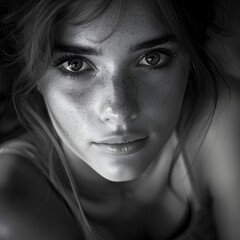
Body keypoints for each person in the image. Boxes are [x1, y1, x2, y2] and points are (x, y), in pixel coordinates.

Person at [0, 0, 240, 239]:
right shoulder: (11, 207)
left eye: (152, 58)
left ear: (190, 56)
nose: (119, 111)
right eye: (76, 65)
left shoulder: (220, 117)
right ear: (33, 72)